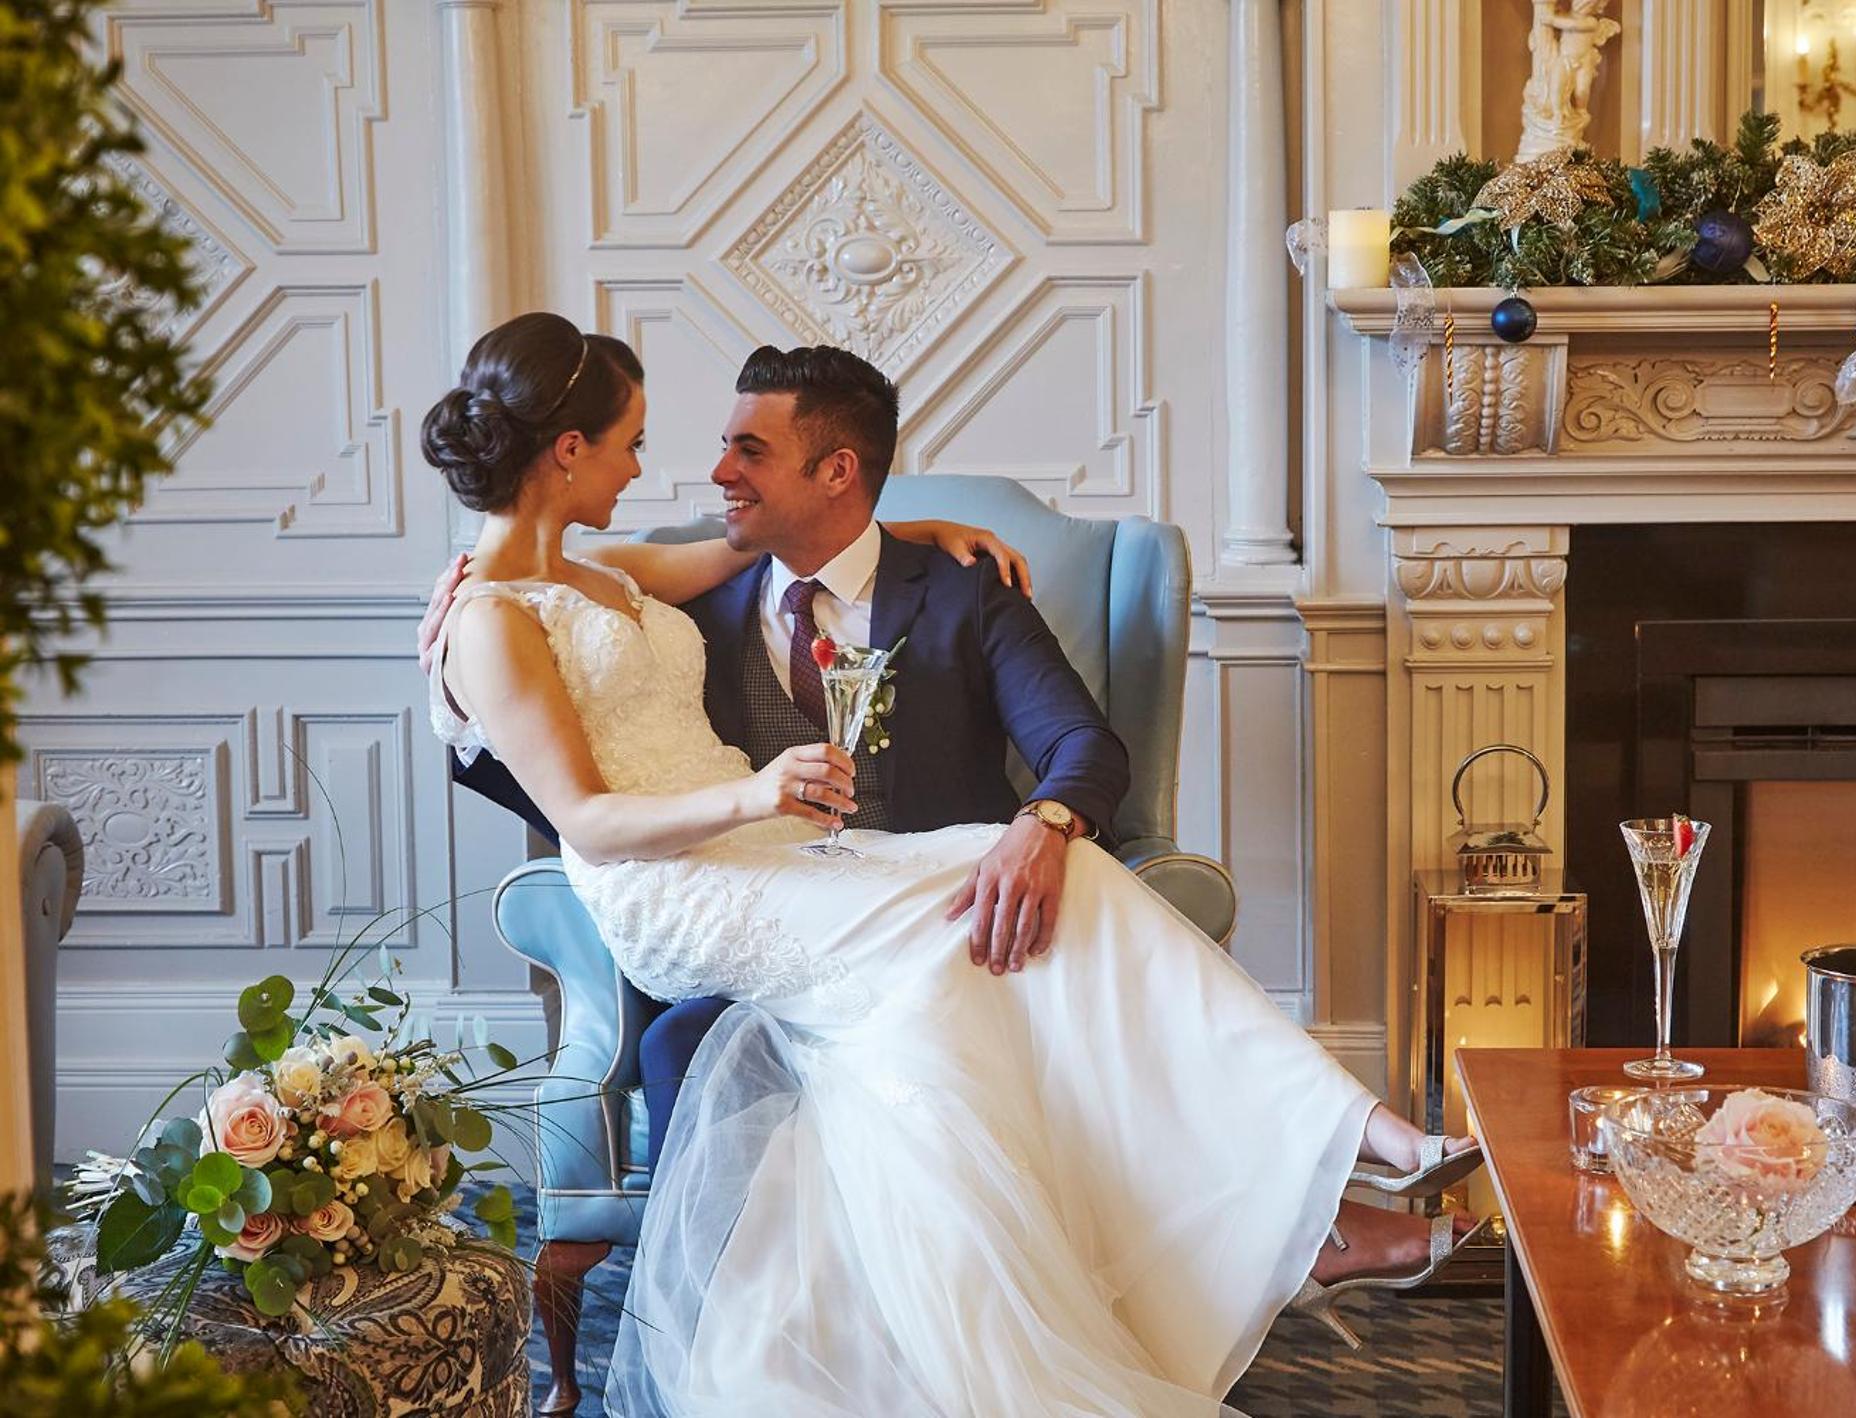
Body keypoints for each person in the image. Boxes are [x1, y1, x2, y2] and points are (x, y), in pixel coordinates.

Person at [420, 313, 1483, 1414]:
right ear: (569, 450)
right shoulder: (493, 618)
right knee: (974, 951)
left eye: (746, 450)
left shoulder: (635, 573)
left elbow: (1062, 732)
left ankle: (1331, 1164)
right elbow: (576, 805)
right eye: (636, 441)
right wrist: (743, 784)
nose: (685, 469)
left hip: (792, 860)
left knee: (1026, 921)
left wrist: (906, 541)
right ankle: (1340, 1176)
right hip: (698, 888)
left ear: (836, 472)